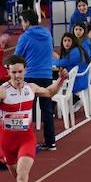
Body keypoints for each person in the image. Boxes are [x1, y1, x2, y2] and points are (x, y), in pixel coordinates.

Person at [12, 9, 59, 149]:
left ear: (27, 22)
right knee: (47, 110)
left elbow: (16, 57)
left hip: (31, 76)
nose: (21, 24)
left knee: (27, 110)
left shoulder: (25, 37)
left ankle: (27, 142)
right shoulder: (47, 34)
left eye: (21, 21)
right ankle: (51, 142)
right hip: (46, 75)